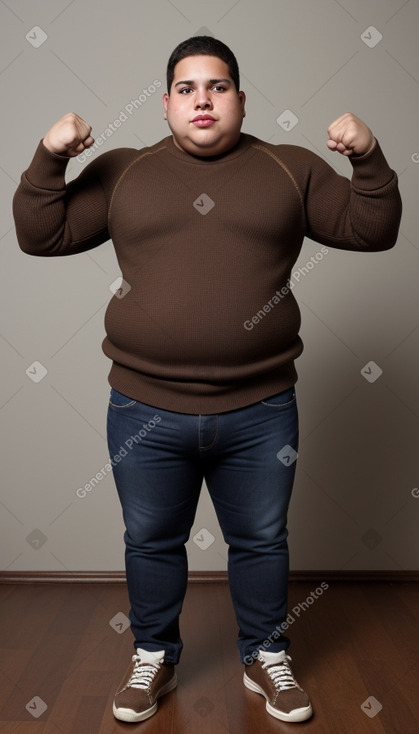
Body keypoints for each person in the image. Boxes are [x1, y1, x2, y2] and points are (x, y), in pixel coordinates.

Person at [13, 35, 402, 725]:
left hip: (260, 408)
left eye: (218, 87)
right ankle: (154, 656)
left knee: (260, 540)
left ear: (240, 99)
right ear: (165, 104)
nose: (203, 99)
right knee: (149, 540)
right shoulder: (124, 173)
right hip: (144, 408)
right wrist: (49, 157)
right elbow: (41, 234)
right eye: (187, 88)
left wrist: (368, 157)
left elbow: (373, 229)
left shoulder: (289, 170)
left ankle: (264, 655)